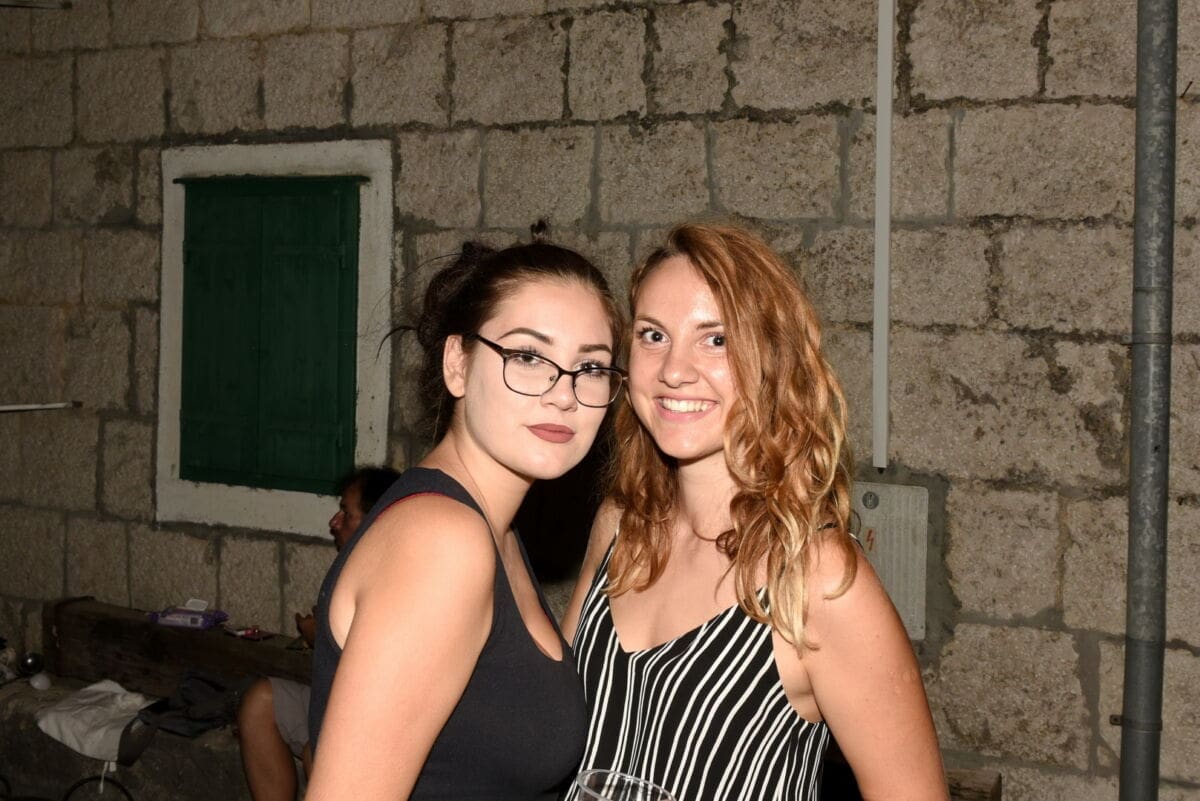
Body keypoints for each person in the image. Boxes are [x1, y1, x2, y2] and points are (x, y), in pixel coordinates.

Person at [562, 223, 949, 801]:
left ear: (772, 359)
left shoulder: (819, 580)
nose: (674, 370)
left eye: (715, 339)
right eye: (653, 335)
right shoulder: (620, 525)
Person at [305, 239, 625, 801]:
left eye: (591, 366)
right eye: (528, 356)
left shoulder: (495, 530)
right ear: (458, 364)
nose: (564, 394)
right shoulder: (442, 541)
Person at [237, 466, 399, 801]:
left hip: (384, 727)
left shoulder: (400, 578)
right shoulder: (351, 567)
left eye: (346, 513)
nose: (334, 522)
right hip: (337, 709)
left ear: (376, 521)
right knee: (260, 701)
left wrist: (320, 638)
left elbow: (378, 682)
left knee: (321, 755)